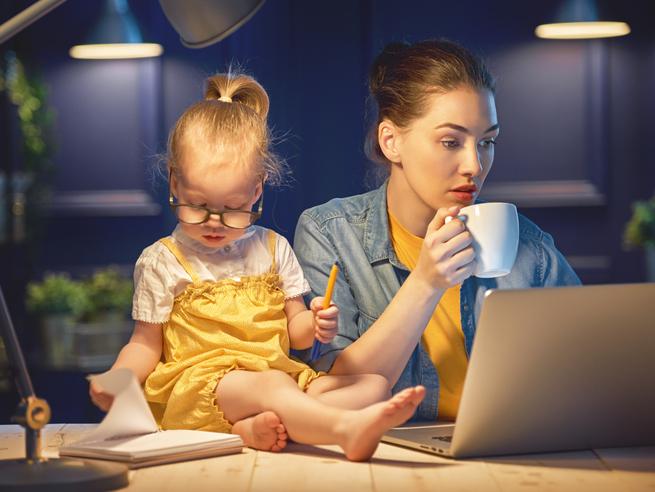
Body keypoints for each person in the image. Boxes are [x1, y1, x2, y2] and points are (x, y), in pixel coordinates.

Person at [88, 71, 425, 462]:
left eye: (233, 209)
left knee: (373, 386)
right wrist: (120, 379)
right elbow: (145, 344)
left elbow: (296, 336)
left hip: (277, 378)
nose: (214, 222)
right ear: (175, 183)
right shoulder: (162, 260)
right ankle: (342, 430)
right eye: (198, 206)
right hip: (202, 387)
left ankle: (248, 430)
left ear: (257, 190)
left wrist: (315, 324)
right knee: (271, 387)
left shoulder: (272, 247)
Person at [293, 39, 581, 422]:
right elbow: (334, 390)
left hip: (512, 449)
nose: (474, 165)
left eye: (487, 142)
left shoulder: (531, 249)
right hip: (391, 458)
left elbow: (592, 368)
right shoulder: (330, 234)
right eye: (451, 142)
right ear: (391, 141)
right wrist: (426, 283)